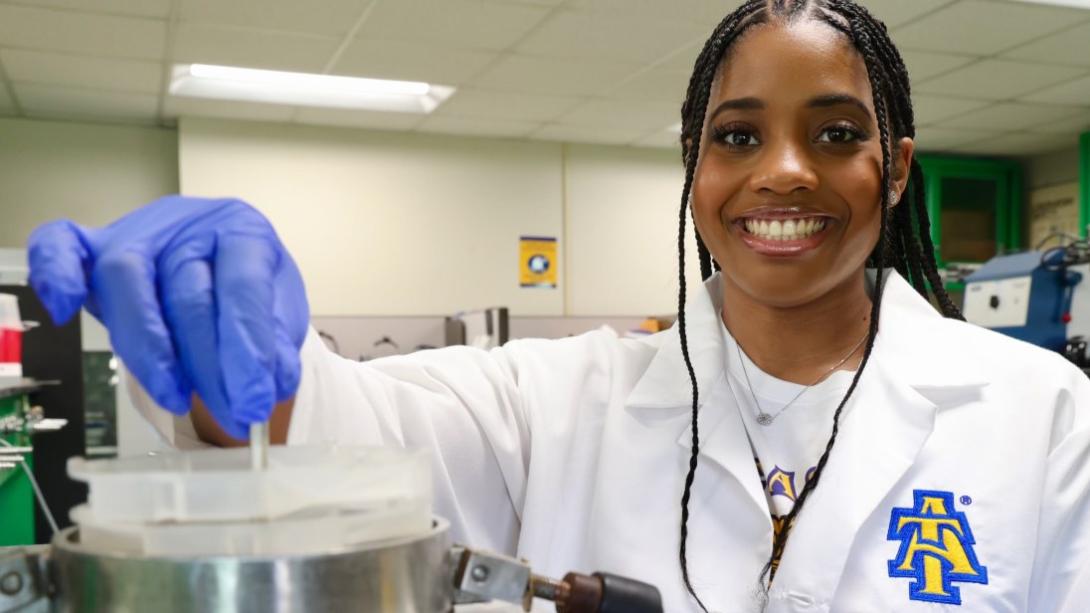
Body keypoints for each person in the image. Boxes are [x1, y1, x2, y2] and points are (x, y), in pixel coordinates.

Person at [25, 0, 1090, 611]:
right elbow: (339, 440)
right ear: (692, 164)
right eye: (735, 136)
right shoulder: (554, 402)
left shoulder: (1036, 410)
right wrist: (234, 366)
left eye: (834, 133)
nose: (782, 173)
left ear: (894, 168)